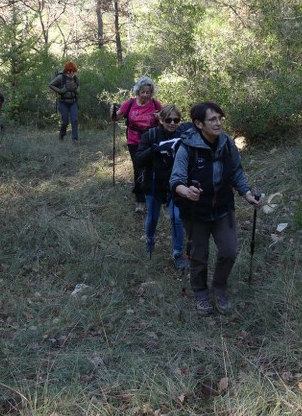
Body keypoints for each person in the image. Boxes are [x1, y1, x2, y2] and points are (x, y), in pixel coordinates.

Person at [170, 101, 262, 316]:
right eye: (213, 119)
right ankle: (201, 292)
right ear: (199, 124)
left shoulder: (226, 143)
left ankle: (219, 287)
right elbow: (176, 179)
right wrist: (185, 191)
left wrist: (247, 194)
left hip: (223, 208)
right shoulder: (187, 147)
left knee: (229, 252)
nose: (218, 123)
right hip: (196, 212)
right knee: (199, 256)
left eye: (220, 118)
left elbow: (236, 172)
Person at [135, 105, 190, 269]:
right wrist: (153, 151)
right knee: (152, 217)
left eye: (176, 120)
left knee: (177, 218)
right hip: (153, 183)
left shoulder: (183, 136)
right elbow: (138, 160)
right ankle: (149, 240)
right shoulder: (151, 135)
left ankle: (178, 253)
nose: (172, 123)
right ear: (161, 119)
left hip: (176, 185)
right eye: (168, 120)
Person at [112, 77, 162, 213]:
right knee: (139, 168)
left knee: (151, 168)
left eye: (148, 92)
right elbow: (115, 118)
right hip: (134, 141)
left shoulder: (156, 105)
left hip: (151, 140)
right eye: (143, 92)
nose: (145, 95)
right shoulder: (129, 103)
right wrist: (113, 111)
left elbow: (166, 122)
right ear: (138, 91)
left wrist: (160, 119)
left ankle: (154, 194)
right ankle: (140, 200)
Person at [50, 62, 79, 142]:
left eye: (73, 71)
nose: (71, 73)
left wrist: (77, 90)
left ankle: (75, 139)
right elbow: (51, 85)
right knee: (65, 121)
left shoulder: (75, 78)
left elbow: (78, 86)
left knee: (75, 120)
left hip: (73, 102)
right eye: (69, 71)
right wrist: (60, 91)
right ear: (66, 71)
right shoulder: (60, 77)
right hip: (63, 102)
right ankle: (61, 134)